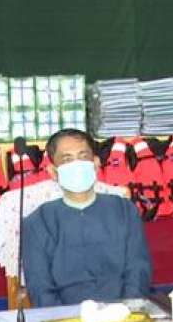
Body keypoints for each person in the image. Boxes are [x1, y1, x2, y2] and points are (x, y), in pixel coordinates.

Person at [22, 129, 152, 307]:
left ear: (96, 164)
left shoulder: (124, 210)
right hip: (64, 318)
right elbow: (40, 287)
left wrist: (126, 311)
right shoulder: (37, 223)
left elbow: (138, 271)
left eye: (83, 157)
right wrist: (65, 319)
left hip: (123, 313)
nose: (77, 165)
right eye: (67, 159)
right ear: (53, 172)